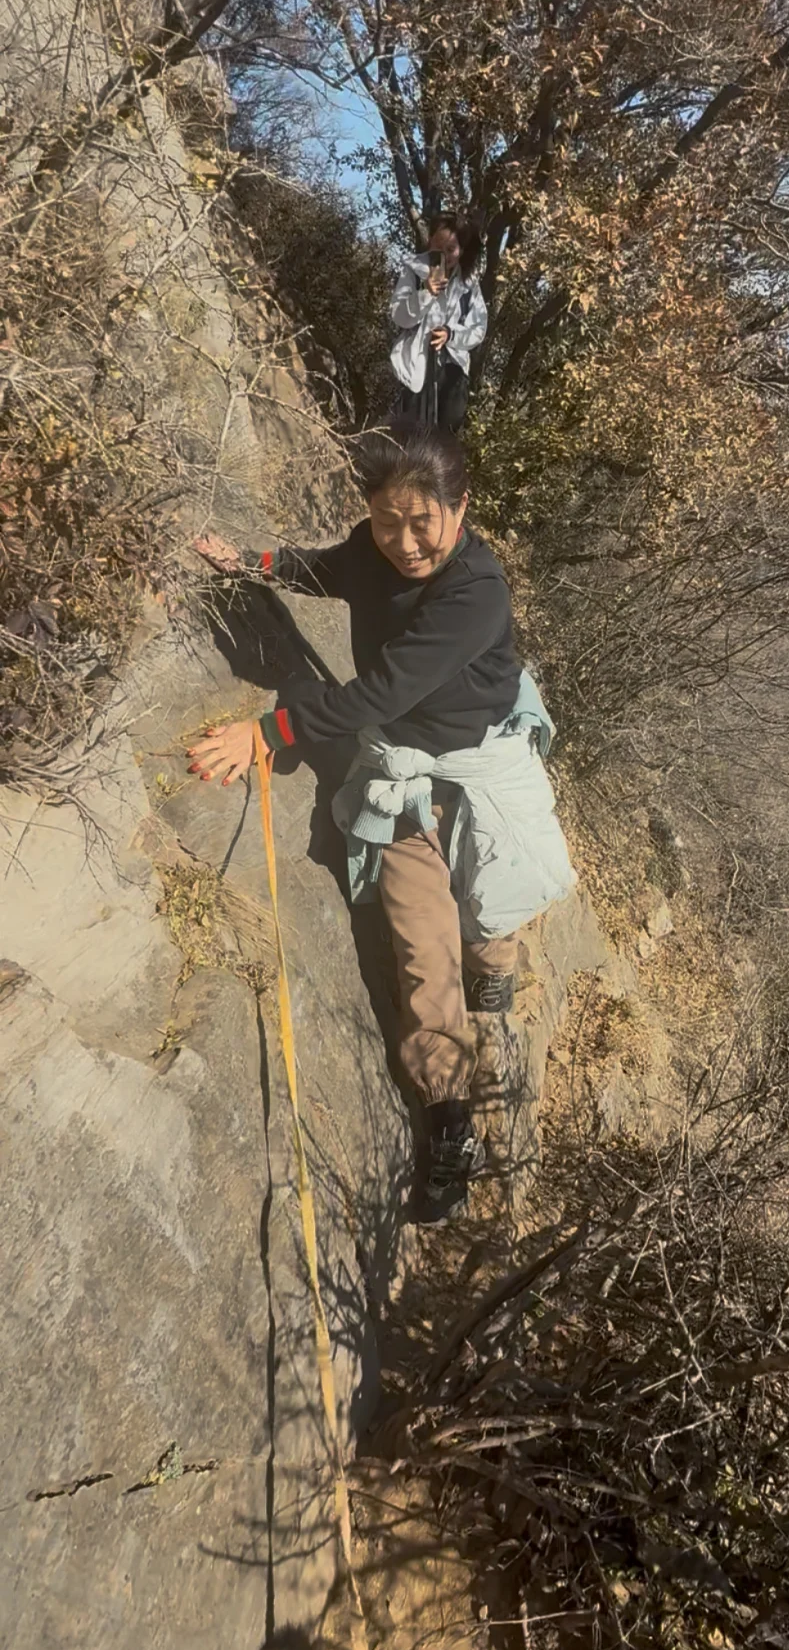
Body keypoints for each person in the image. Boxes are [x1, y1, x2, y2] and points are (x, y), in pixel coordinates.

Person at [187, 421, 574, 1225]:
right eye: (386, 520)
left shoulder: (475, 591)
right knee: (421, 950)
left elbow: (381, 692)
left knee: (496, 895)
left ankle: (496, 959)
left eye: (421, 521)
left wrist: (266, 734)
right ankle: (450, 1126)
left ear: (460, 508)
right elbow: (328, 572)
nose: (403, 543)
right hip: (405, 769)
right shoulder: (374, 545)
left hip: (479, 753)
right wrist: (253, 564)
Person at [390, 216, 487, 433]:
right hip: (415, 361)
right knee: (411, 430)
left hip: (453, 367)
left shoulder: (469, 283)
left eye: (450, 249)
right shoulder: (414, 271)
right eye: (437, 247)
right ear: (430, 242)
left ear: (461, 250)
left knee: (446, 432)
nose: (443, 255)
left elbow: (479, 328)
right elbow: (399, 316)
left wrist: (450, 335)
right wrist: (424, 293)